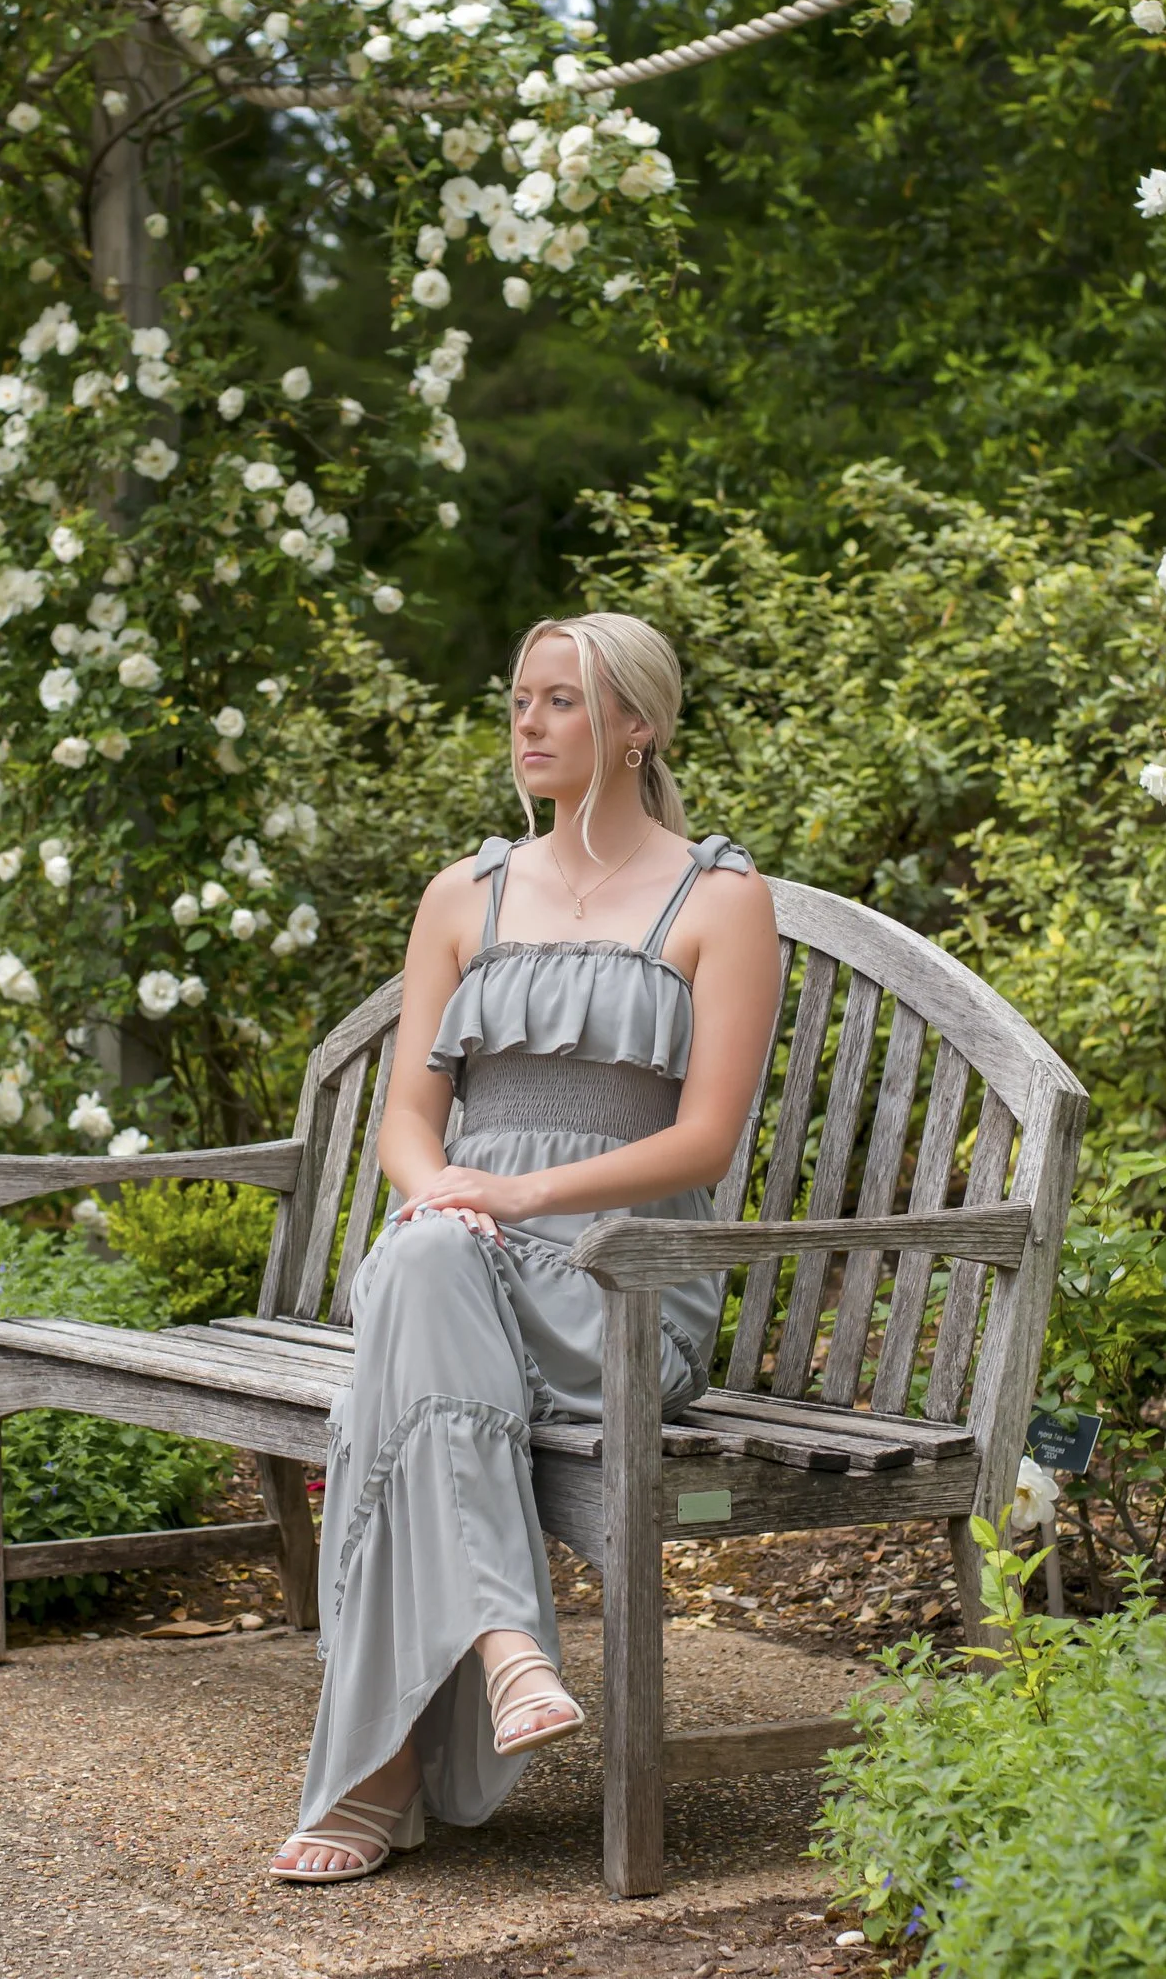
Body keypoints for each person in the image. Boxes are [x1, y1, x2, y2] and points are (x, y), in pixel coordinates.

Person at [270, 612, 783, 1883]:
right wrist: (444, 1192)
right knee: (423, 1262)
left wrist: (522, 1191)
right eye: (518, 699)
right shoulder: (465, 893)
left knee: (410, 1332)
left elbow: (705, 1139)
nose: (528, 723)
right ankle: (509, 1646)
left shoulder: (720, 899)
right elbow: (406, 1119)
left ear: (636, 725)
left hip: (618, 1291)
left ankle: (380, 1775)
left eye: (561, 700)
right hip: (468, 1263)